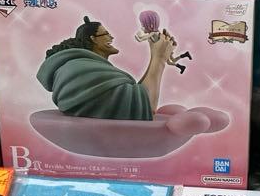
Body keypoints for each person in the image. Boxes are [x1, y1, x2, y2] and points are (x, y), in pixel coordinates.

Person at [37, 16, 177, 121]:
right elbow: (145, 106)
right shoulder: (81, 70)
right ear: (93, 38)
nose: (111, 37)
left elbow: (137, 95)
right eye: (106, 34)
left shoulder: (86, 68)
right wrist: (159, 59)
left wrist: (155, 52)